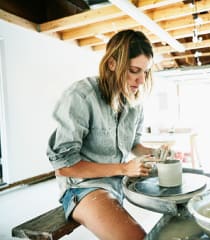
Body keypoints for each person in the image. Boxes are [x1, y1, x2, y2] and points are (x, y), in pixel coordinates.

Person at [47, 29, 172, 240]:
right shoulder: (81, 96)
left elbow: (134, 144)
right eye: (134, 70)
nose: (141, 80)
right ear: (112, 64)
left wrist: (155, 152)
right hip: (82, 188)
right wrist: (125, 168)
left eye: (146, 72)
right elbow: (64, 167)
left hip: (116, 183)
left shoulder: (134, 104)